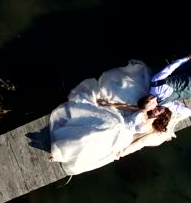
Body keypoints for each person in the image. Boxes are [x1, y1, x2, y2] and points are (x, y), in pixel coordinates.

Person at [48, 60, 183, 176]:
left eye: (158, 111)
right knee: (91, 134)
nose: (155, 109)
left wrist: (123, 152)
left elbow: (139, 143)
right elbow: (126, 106)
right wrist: (108, 103)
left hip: (123, 138)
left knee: (95, 143)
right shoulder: (144, 111)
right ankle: (60, 150)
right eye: (158, 107)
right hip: (117, 123)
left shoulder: (149, 127)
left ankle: (60, 154)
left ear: (159, 117)